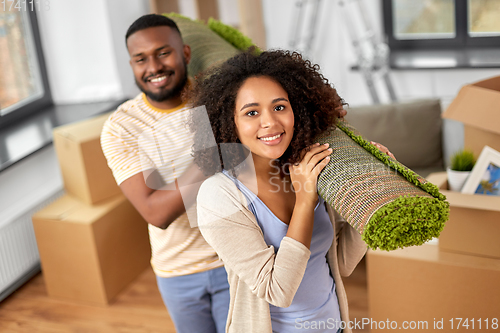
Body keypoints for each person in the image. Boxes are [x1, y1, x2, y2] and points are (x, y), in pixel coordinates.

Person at [188, 49, 374, 333]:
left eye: (279, 107)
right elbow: (278, 291)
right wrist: (304, 200)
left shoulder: (306, 168)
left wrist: (371, 195)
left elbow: (343, 263)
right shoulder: (218, 195)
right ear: (229, 122)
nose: (271, 123)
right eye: (252, 112)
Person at [100, 14, 229, 333]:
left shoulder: (214, 101)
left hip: (236, 258)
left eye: (163, 53)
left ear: (185, 53)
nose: (153, 67)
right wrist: (212, 155)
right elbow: (155, 212)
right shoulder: (122, 126)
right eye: (140, 59)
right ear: (131, 65)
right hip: (177, 272)